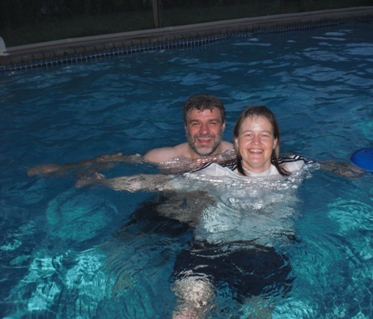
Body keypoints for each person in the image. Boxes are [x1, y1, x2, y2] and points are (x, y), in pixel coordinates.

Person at [77, 106, 314, 319]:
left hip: (262, 255)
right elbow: (157, 183)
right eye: (248, 135)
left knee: (258, 313)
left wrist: (348, 169)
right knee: (188, 311)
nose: (255, 142)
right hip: (206, 252)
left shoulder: (294, 167)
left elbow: (330, 166)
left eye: (264, 135)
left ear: (274, 141)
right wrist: (104, 183)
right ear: (237, 141)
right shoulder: (214, 174)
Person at [27, 94, 235, 177]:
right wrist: (65, 169)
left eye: (212, 123)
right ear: (185, 128)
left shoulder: (238, 155)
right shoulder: (163, 157)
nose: (204, 132)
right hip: (168, 211)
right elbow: (121, 160)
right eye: (196, 124)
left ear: (223, 126)